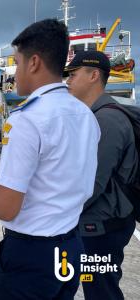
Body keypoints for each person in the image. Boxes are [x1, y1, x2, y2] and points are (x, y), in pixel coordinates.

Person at [0, 19, 100, 299]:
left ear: (34, 62)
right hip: (71, 245)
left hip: (32, 255)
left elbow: (6, 208)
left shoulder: (27, 119)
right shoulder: (86, 115)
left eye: (18, 62)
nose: (16, 72)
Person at [65, 50, 137, 300]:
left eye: (73, 75)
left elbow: (92, 183)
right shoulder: (97, 115)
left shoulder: (106, 120)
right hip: (100, 223)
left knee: (101, 290)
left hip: (102, 227)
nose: (68, 80)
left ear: (94, 75)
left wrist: (56, 213)